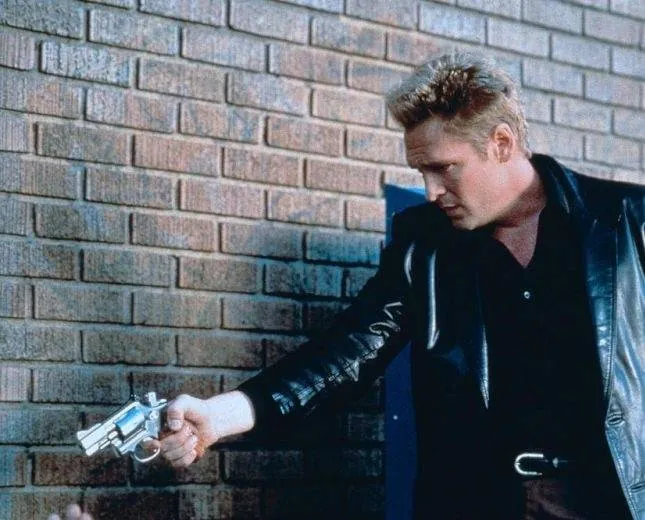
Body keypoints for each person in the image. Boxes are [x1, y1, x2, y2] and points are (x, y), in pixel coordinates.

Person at [56, 52, 645, 519]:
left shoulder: (627, 223)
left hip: (609, 498)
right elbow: (347, 352)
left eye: (444, 168)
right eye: (420, 172)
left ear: (502, 143)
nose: (431, 191)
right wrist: (221, 415)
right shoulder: (424, 244)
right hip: (477, 501)